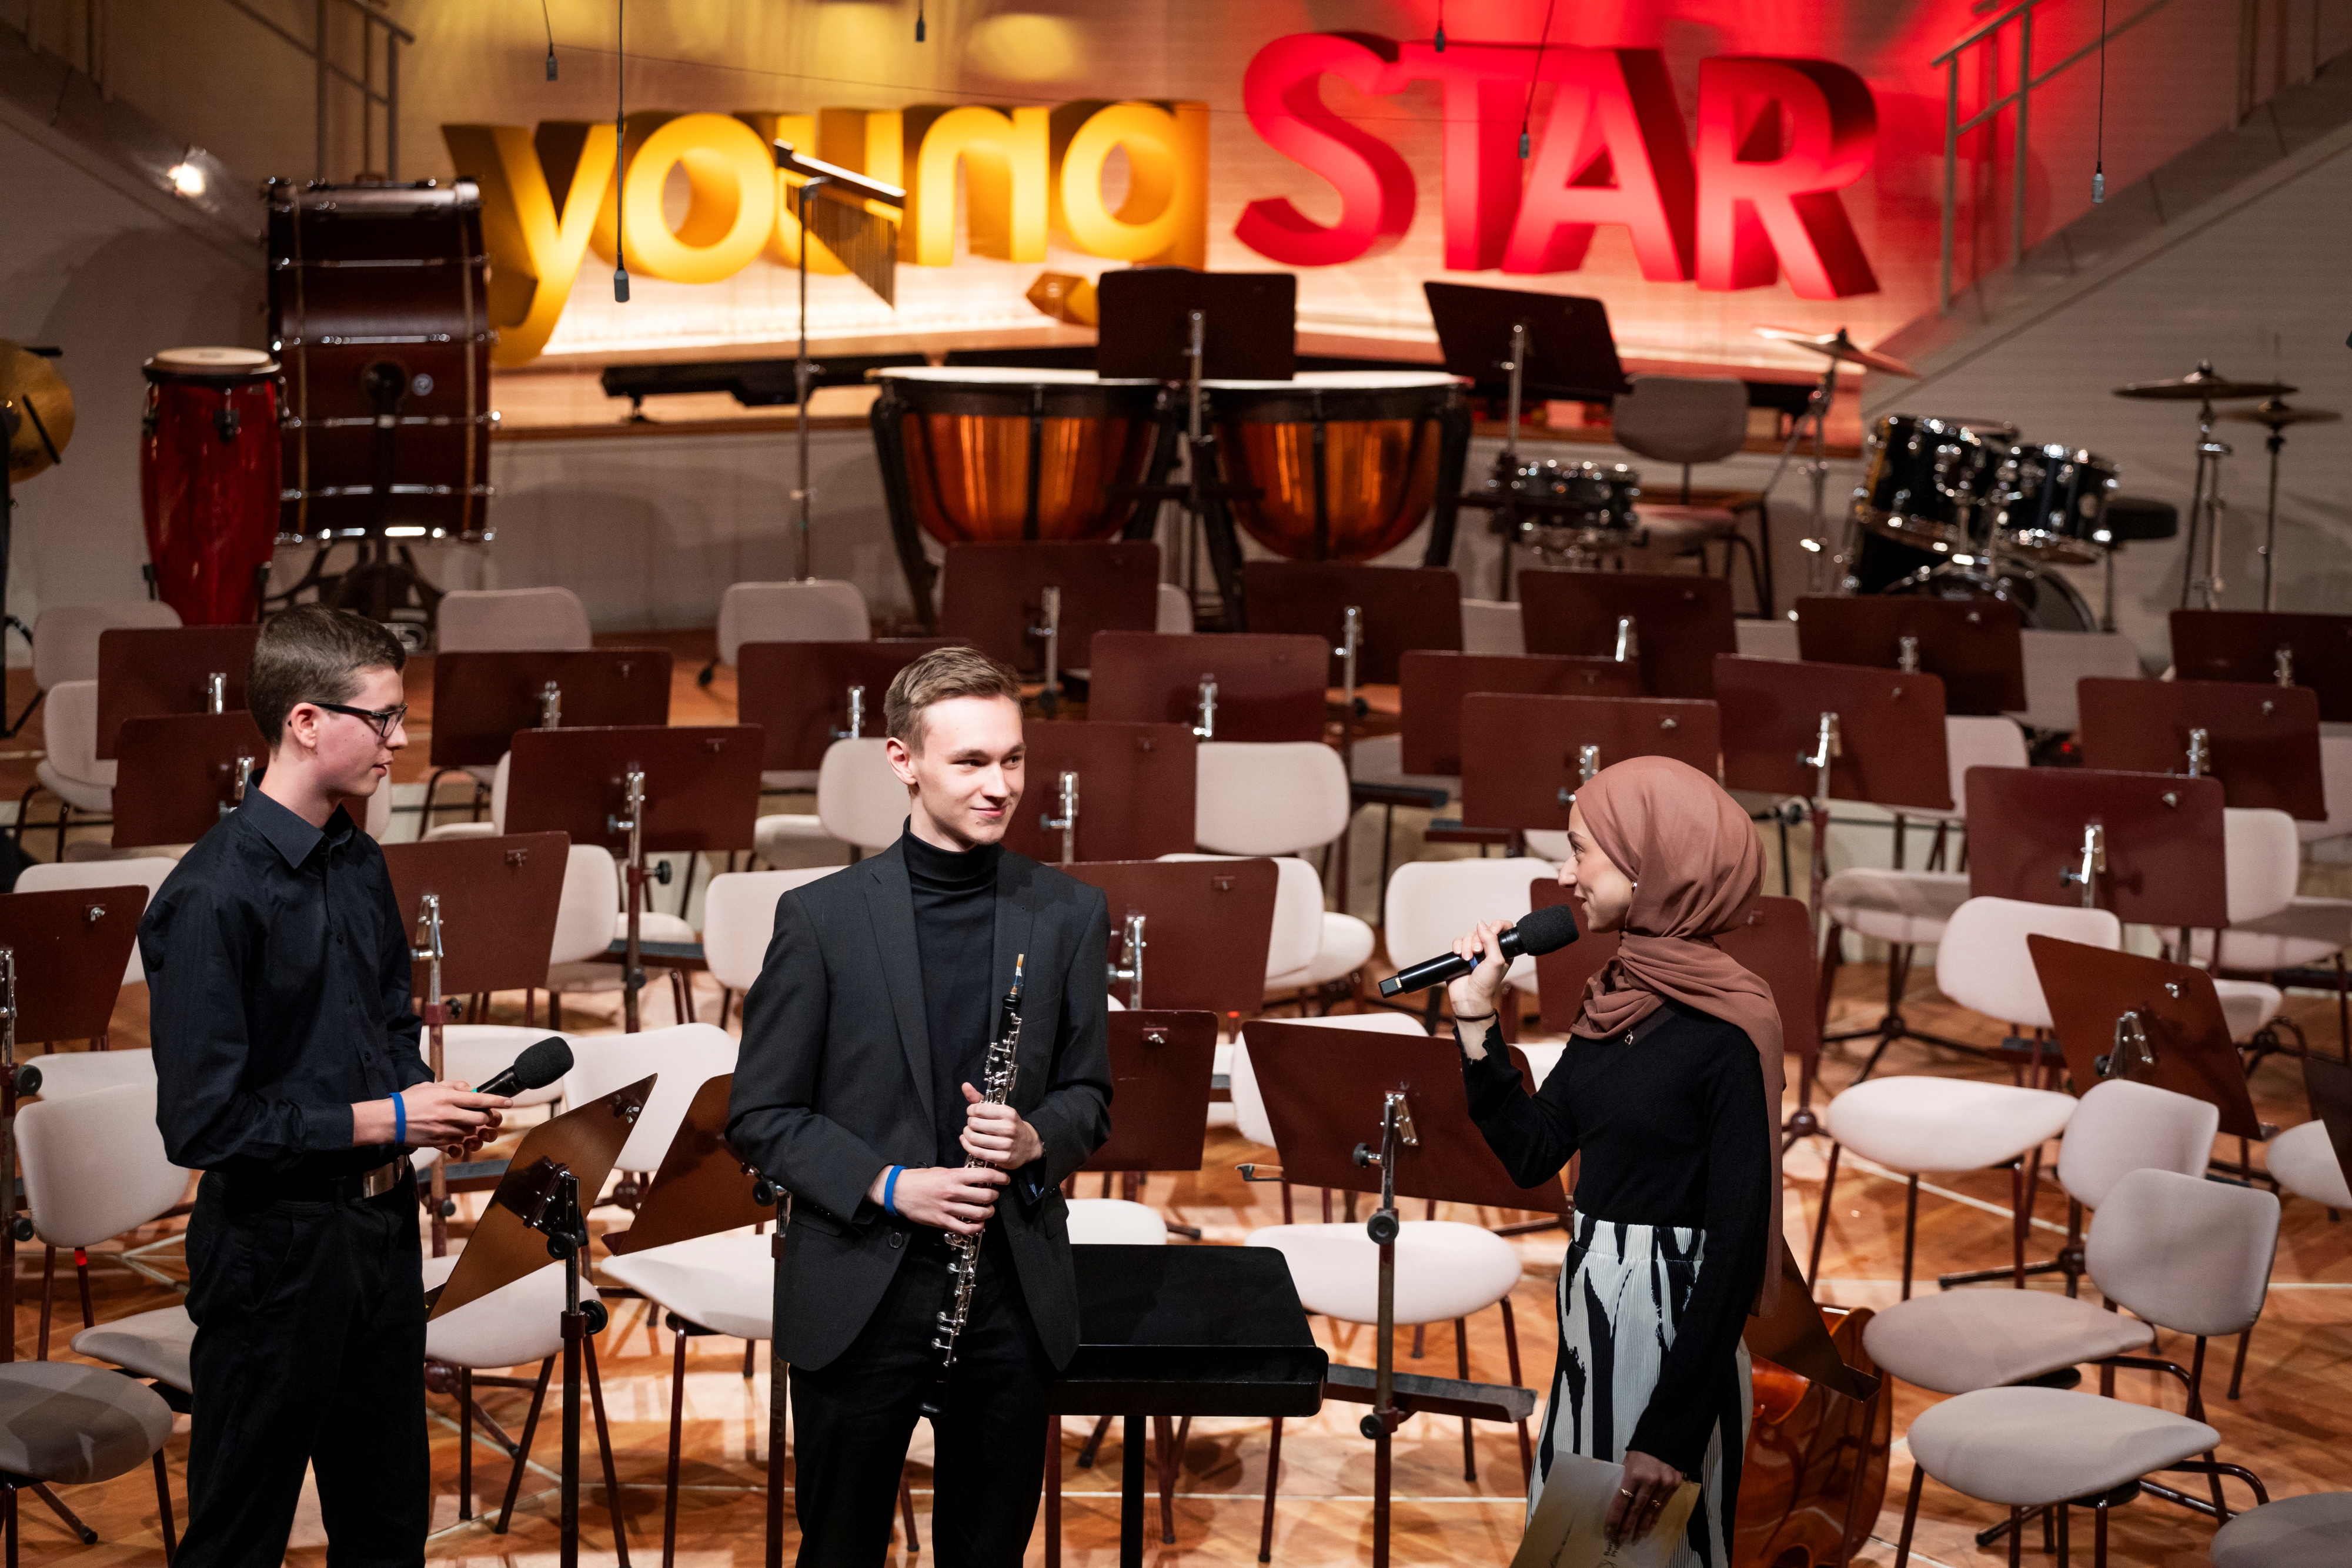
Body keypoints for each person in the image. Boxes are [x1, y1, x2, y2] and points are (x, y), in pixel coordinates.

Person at [728, 644, 1112, 1567]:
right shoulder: (820, 919)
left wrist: (1032, 1138)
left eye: (1013, 759)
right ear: (903, 760)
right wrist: (891, 1184)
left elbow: (1090, 1098)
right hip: (865, 1283)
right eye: (971, 762)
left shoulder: (1068, 912)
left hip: (1012, 1293)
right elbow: (761, 1115)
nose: (1000, 785)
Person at [141, 606, 507, 1568]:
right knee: (238, 1537)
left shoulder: (358, 857)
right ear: (307, 722)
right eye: (382, 718)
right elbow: (203, 1122)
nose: (400, 740)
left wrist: (430, 1107)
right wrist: (389, 1116)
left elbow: (384, 1029)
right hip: (273, 1255)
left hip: (376, 1244)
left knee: (388, 1530)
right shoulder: (212, 896)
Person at [1445, 755, 1784, 1566]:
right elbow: (1534, 1152)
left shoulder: (1730, 1032)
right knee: (1576, 1552)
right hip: (1593, 1309)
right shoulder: (1617, 994)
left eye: (1581, 849)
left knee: (1648, 1558)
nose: (1565, 873)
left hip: (1672, 1329)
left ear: (1650, 865)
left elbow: (1735, 1252)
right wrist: (1473, 1019)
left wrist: (1669, 1433)